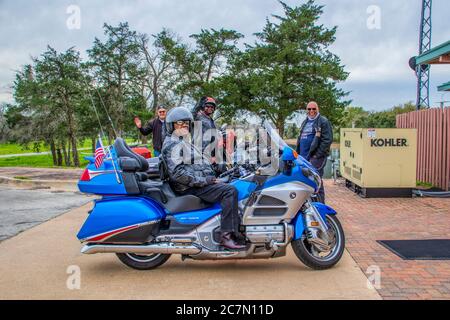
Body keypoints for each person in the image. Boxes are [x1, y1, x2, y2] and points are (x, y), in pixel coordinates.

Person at [162, 107, 245, 250]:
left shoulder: (184, 141)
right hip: (189, 187)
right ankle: (226, 236)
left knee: (234, 183)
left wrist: (223, 169)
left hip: (196, 183)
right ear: (171, 125)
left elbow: (198, 163)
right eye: (180, 123)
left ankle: (239, 230)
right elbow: (177, 173)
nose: (184, 126)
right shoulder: (173, 144)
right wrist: (204, 181)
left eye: (187, 123)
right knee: (230, 191)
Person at [296, 101, 333, 203]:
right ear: (306, 110)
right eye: (309, 109)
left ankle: (321, 209)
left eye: (314, 109)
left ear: (318, 109)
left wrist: (317, 155)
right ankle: (310, 206)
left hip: (316, 158)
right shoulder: (305, 122)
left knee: (317, 182)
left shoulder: (323, 121)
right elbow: (300, 138)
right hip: (304, 157)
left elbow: (327, 140)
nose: (311, 111)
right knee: (306, 182)